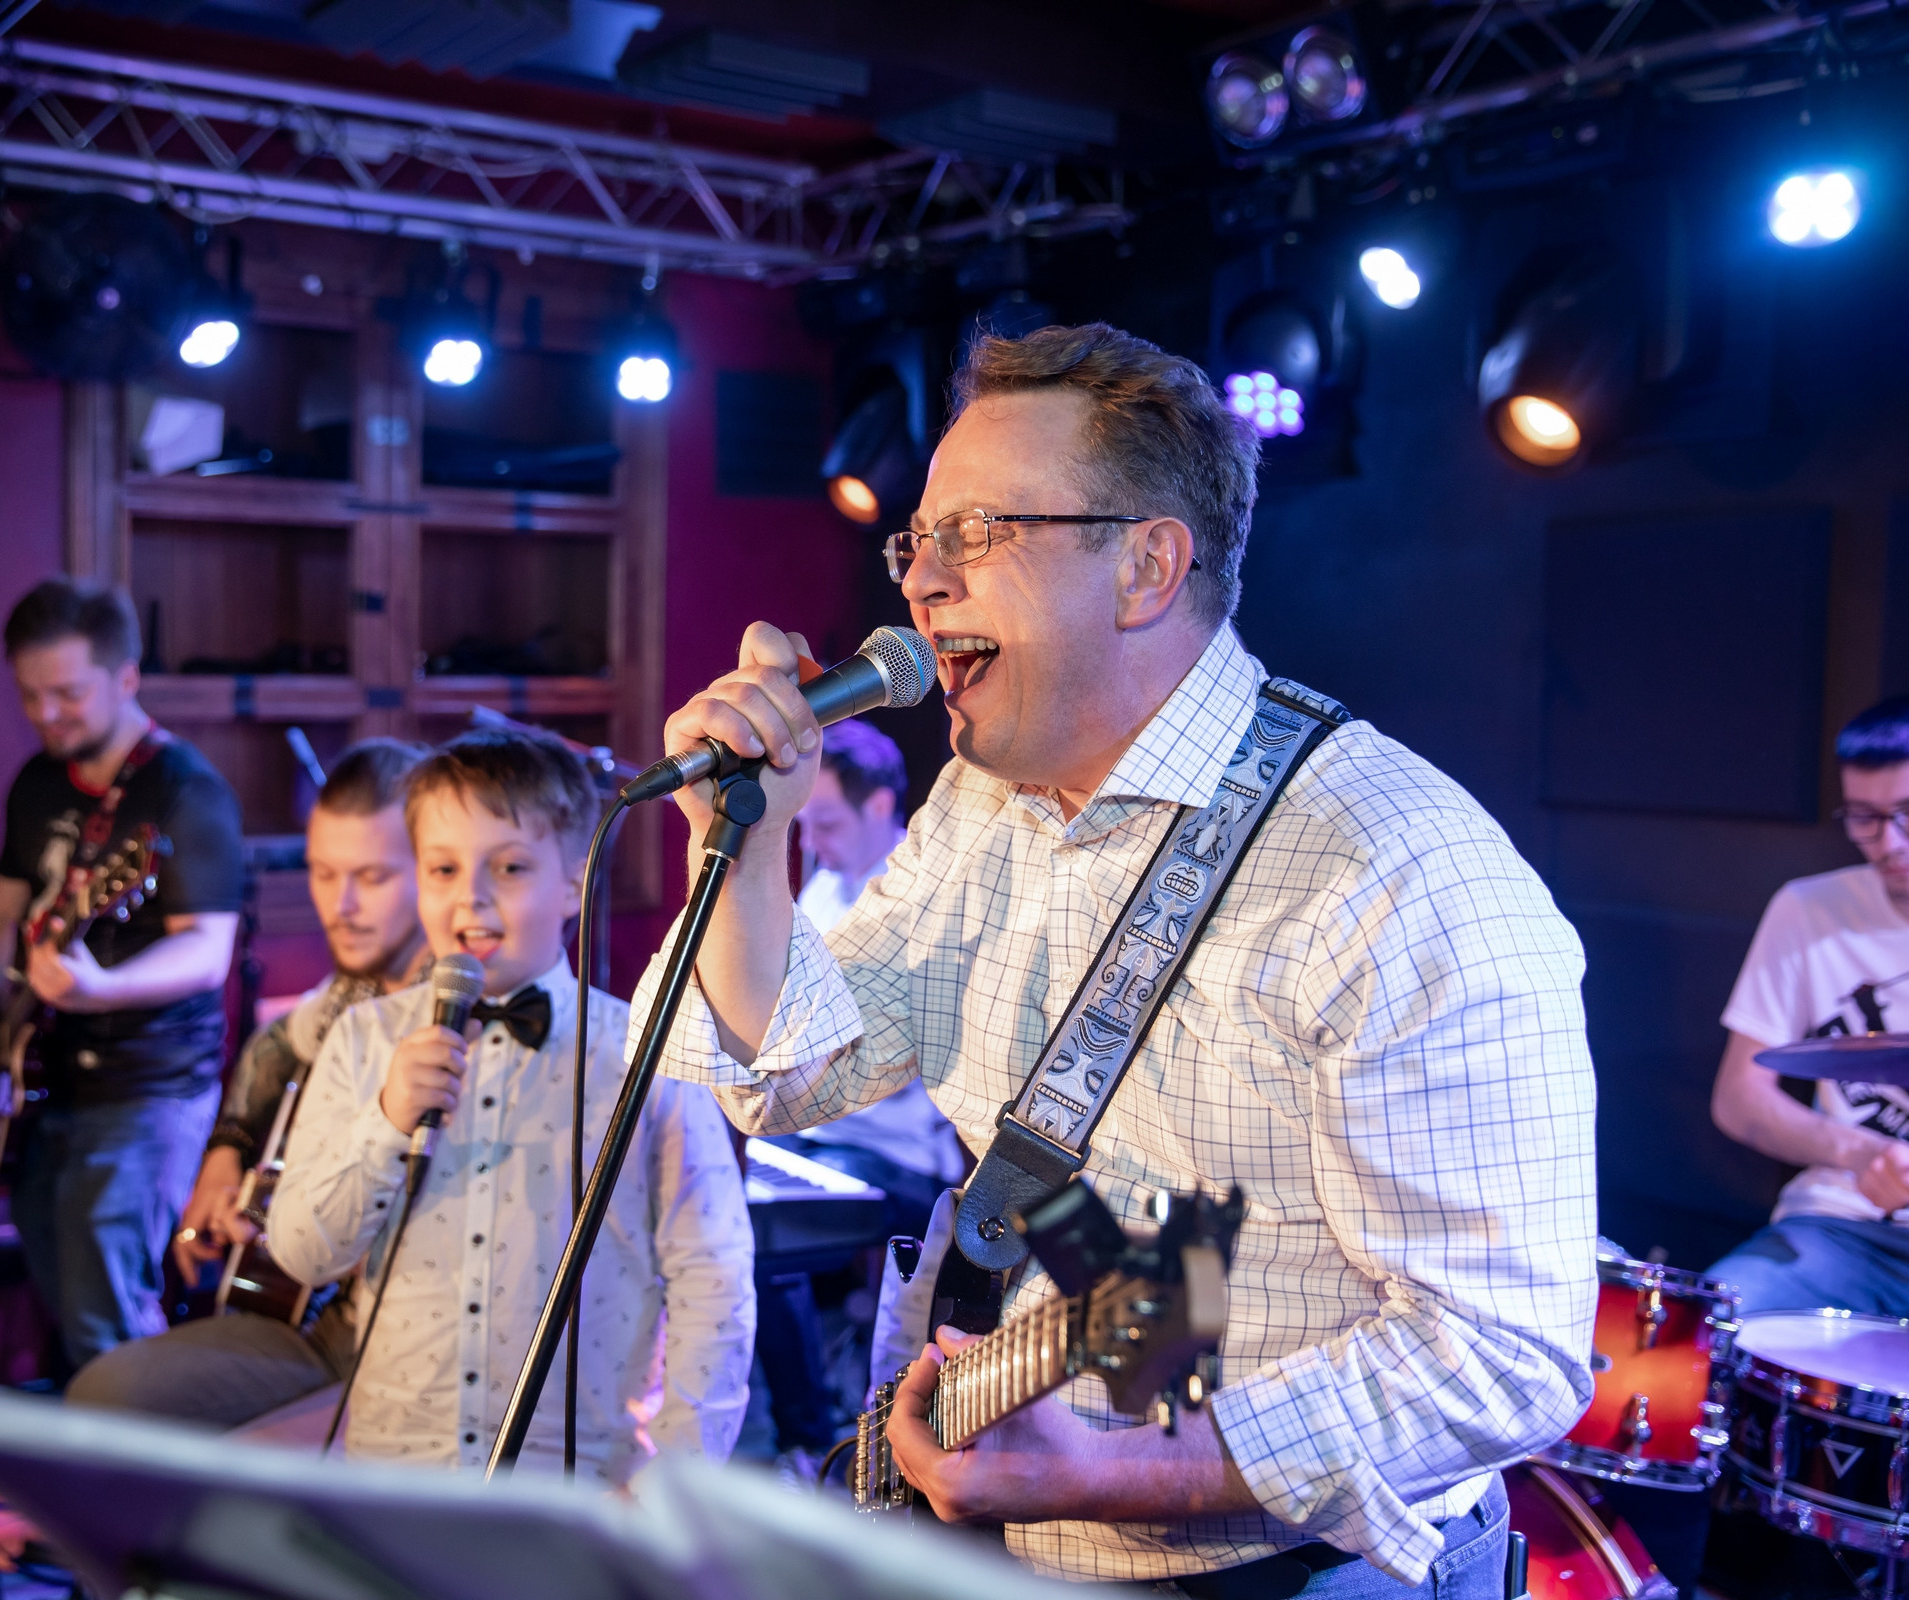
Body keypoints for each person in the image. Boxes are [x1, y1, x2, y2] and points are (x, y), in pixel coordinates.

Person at [641, 322, 1596, 1591]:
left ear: (1146, 567)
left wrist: (1109, 1470)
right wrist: (746, 839)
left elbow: (1503, 1357)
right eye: (916, 540)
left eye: (977, 532)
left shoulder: (1400, 874)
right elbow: (796, 1068)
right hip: (998, 1530)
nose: (921, 582)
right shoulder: (986, 800)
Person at [263, 728, 755, 1483]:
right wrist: (387, 1120)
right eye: (443, 869)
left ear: (573, 881)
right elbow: (302, 1252)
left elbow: (712, 1281)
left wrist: (674, 1484)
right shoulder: (364, 1040)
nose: (472, 897)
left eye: (510, 867)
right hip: (394, 1470)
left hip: (577, 1484)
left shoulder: (650, 1051)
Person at [0, 578, 245, 1369]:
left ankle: (152, 1451)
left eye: (67, 693)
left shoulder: (186, 791)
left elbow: (208, 951)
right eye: (29, 695)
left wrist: (103, 989)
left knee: (110, 1323)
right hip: (44, 1085)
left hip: (146, 1087)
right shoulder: (38, 782)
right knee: (69, 1308)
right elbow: (2, 914)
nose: (45, 714)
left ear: (127, 676)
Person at [66, 739, 431, 1424]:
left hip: (397, 1337)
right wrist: (228, 1152)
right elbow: (274, 1043)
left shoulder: (444, 1016)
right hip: (307, 1315)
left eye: (373, 877)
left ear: (431, 871)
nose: (342, 904)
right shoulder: (349, 996)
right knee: (97, 1394)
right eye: (323, 872)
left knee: (111, 1404)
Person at [754, 719, 965, 1478]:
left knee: (767, 1228)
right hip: (827, 1131)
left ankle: (814, 1439)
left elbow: (901, 1051)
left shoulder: (932, 889)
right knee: (739, 1207)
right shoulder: (827, 884)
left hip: (902, 1154)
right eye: (805, 826)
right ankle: (807, 1436)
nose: (814, 843)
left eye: (828, 824)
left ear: (879, 806)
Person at [1706, 694, 1909, 1314]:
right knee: (1712, 1325)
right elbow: (1740, 1099)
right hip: (1842, 1229)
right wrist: (1863, 1153)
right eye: (1864, 818)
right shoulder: (1809, 908)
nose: (1888, 842)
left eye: (1908, 813)